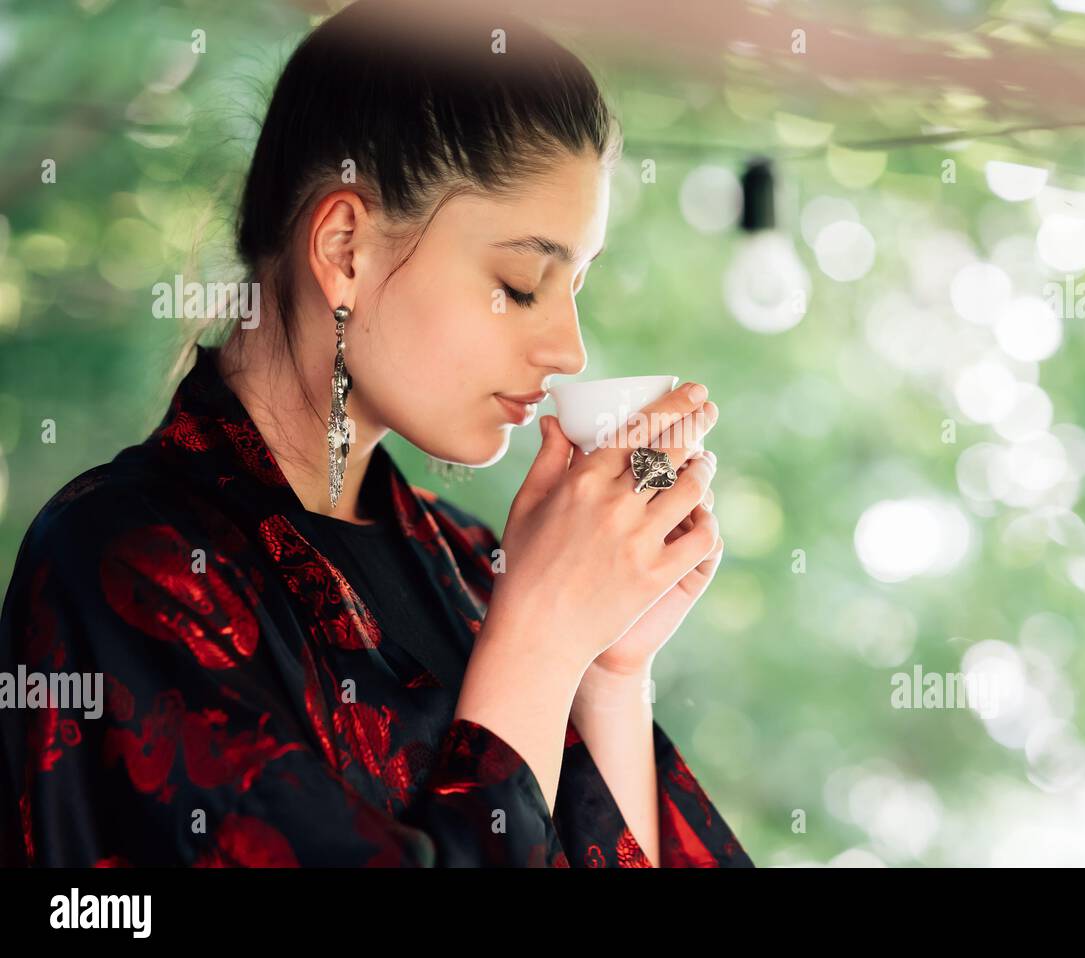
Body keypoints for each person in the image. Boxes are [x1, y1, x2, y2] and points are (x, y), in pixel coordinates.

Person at [0, 0, 750, 867]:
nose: (567, 349)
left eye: (575, 285)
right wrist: (539, 640)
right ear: (346, 247)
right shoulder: (130, 562)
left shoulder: (477, 564)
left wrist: (608, 674)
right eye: (520, 282)